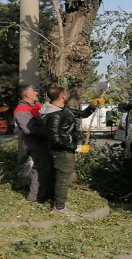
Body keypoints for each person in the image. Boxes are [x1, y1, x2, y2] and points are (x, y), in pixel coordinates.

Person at [40, 85, 105, 215]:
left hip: (65, 149)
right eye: (66, 92)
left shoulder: (63, 110)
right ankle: (59, 208)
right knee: (63, 178)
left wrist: (93, 105)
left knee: (60, 177)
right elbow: (56, 139)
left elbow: (83, 114)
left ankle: (57, 202)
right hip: (61, 152)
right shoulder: (54, 115)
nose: (67, 94)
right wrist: (77, 147)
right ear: (62, 96)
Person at [13, 84, 52, 203]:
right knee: (40, 169)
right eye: (33, 91)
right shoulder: (21, 110)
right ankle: (34, 197)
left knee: (46, 169)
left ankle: (44, 195)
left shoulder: (37, 105)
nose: (36, 93)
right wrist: (50, 132)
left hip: (44, 142)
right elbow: (29, 130)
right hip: (35, 144)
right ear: (27, 94)